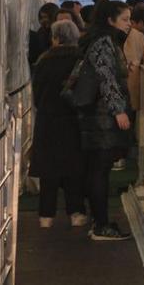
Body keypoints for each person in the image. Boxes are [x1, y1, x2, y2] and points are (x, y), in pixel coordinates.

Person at [74, 0, 134, 241]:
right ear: (110, 20)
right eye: (125, 20)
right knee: (100, 170)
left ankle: (99, 222)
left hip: (96, 117)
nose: (129, 24)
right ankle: (101, 225)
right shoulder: (104, 43)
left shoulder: (101, 40)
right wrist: (118, 109)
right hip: (101, 119)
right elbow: (106, 77)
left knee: (97, 170)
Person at [30, 20, 88, 229]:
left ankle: (46, 216)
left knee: (49, 171)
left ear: (55, 38)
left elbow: (36, 95)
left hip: (48, 121)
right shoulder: (81, 59)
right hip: (74, 120)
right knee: (75, 169)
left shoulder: (44, 61)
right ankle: (76, 213)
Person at [120, 5, 144, 171]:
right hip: (132, 89)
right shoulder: (139, 36)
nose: (128, 23)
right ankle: (125, 155)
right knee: (129, 122)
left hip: (114, 93)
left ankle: (119, 156)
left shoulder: (102, 36)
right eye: (126, 19)